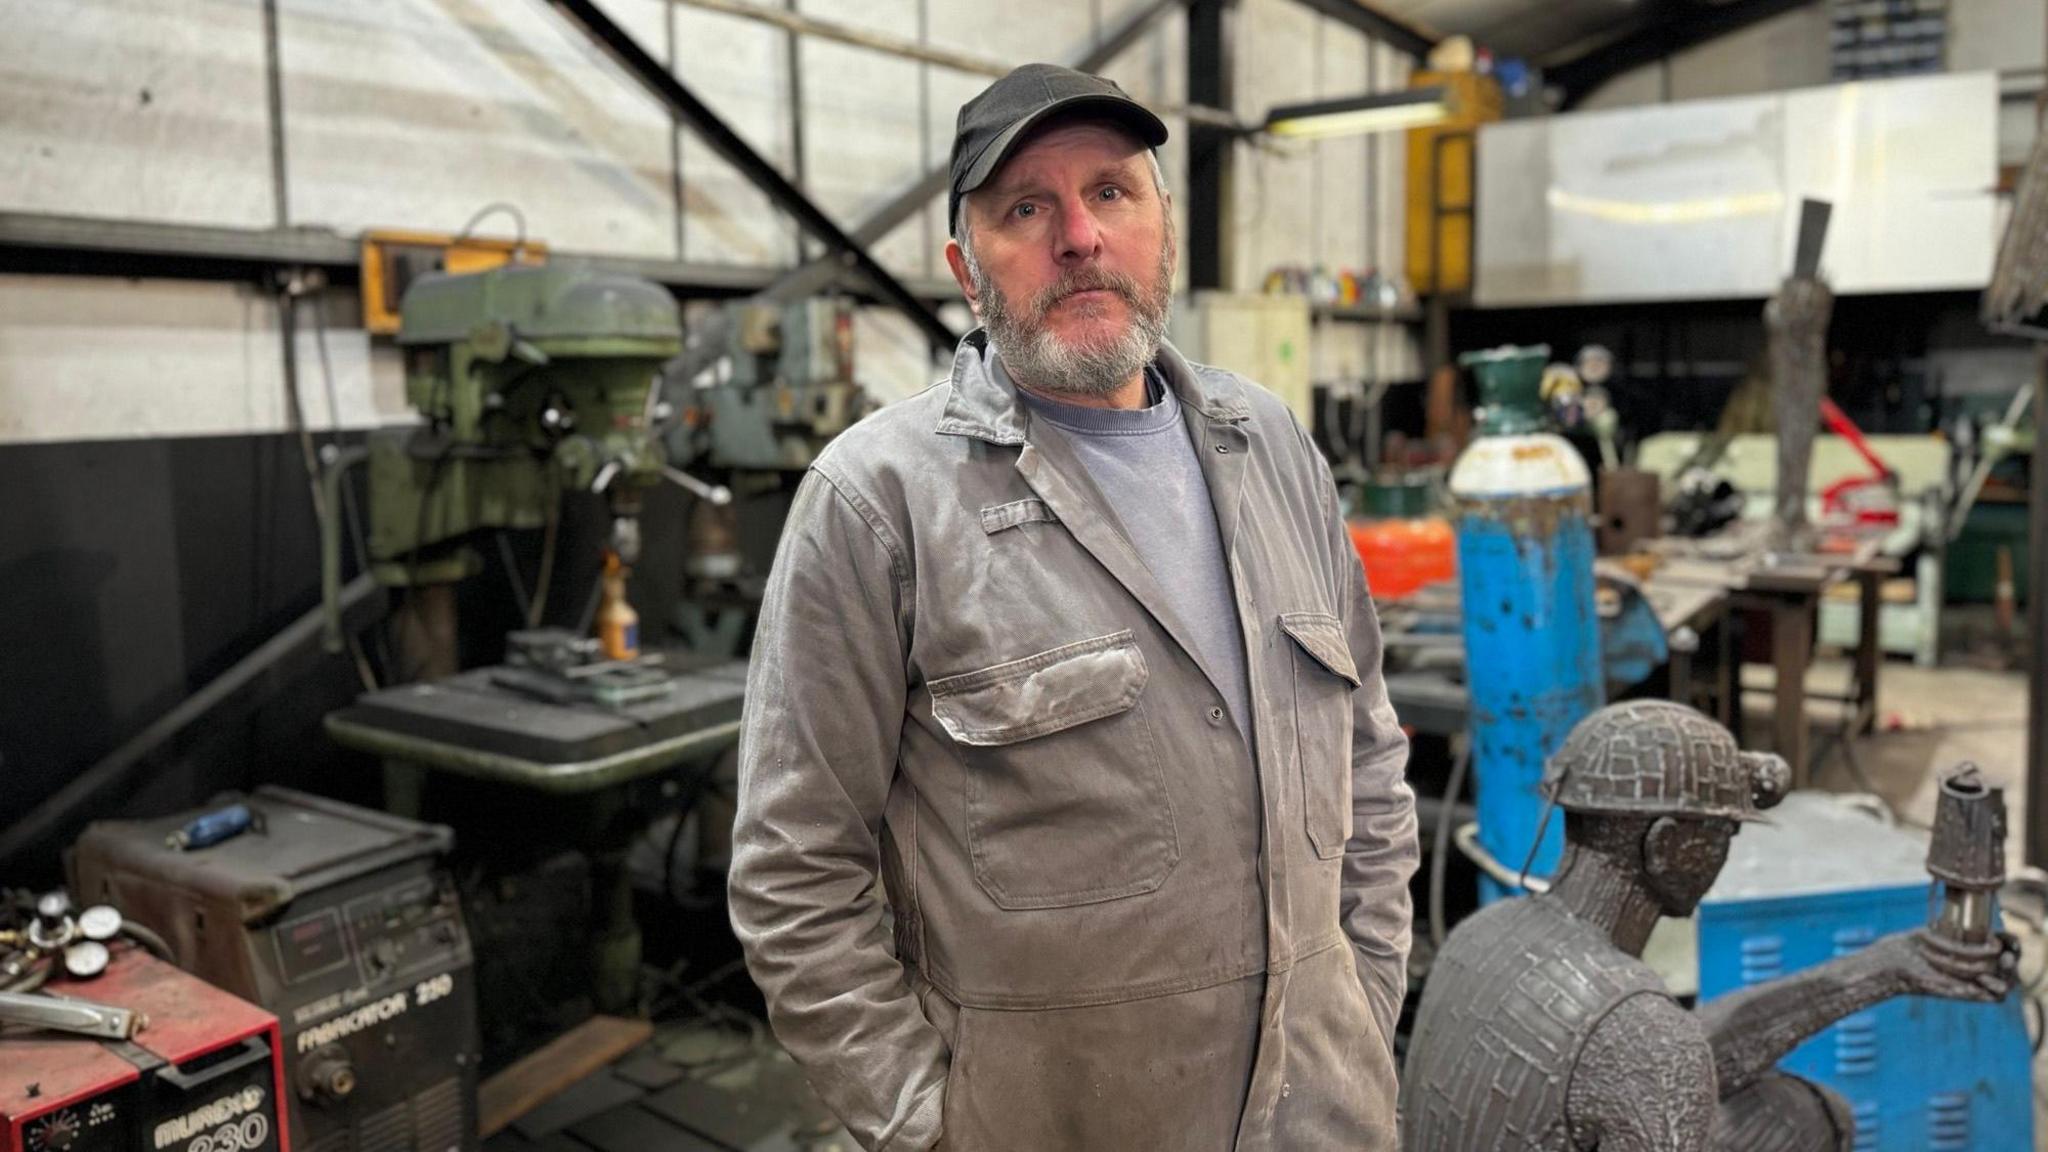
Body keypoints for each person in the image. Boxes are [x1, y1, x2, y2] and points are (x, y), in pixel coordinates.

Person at [727, 62, 1417, 1151]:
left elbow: (1368, 757)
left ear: (1162, 228)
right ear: (965, 267)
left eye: (1110, 192)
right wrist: (924, 1125)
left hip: (1323, 1113)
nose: (1078, 236)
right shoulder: (877, 505)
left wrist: (1366, 999)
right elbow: (793, 873)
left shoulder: (1272, 444)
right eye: (1024, 208)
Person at [1400, 701, 2018, 1152]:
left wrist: (1888, 964)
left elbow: (1655, 1054)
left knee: (1791, 1109)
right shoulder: (1641, 1035)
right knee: (1809, 1121)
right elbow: (1654, 1055)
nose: (1726, 854)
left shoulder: (1480, 935)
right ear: (1666, 847)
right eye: (1724, 834)